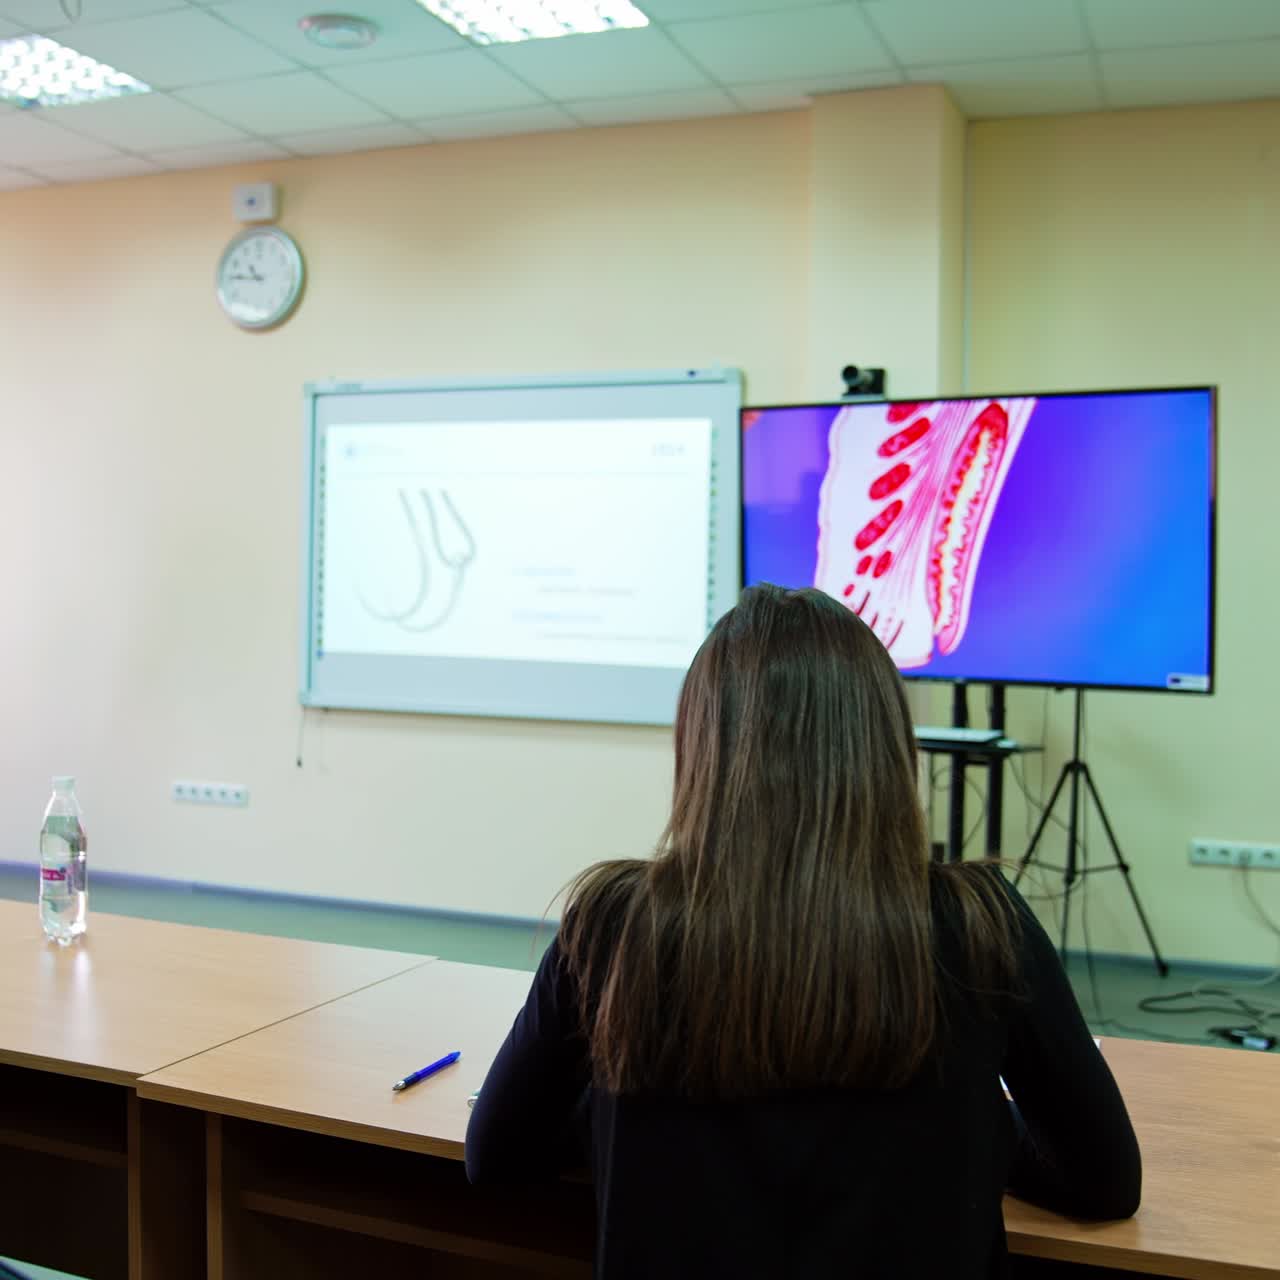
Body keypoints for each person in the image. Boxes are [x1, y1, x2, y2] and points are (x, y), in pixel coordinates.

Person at [465, 583, 1140, 1279]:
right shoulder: (980, 922)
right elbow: (1103, 1181)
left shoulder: (615, 921)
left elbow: (497, 1155)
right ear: (884, 744)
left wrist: (613, 1118)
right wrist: (986, 1133)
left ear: (703, 746)